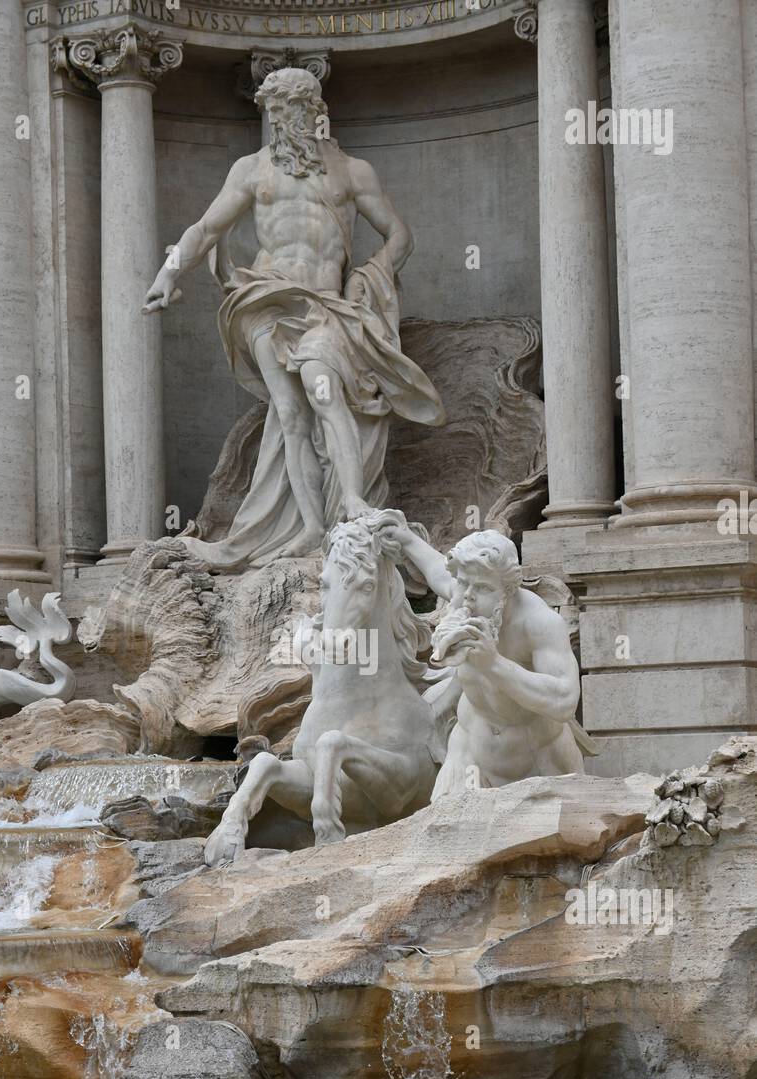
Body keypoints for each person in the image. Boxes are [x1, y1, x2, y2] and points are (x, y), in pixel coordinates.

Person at [143, 66, 444, 570]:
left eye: (295, 109)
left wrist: (367, 276)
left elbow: (400, 235)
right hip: (265, 299)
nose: (285, 120)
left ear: (316, 109)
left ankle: (352, 501)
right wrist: (167, 274)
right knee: (289, 414)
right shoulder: (251, 170)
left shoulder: (352, 172)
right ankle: (308, 527)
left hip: (325, 304)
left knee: (322, 388)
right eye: (277, 111)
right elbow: (204, 228)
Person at [378, 520, 587, 793]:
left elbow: (564, 701)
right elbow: (436, 569)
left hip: (540, 762)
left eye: (483, 588)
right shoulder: (466, 592)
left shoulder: (539, 622)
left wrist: (494, 664)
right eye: (463, 583)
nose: (467, 597)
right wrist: (404, 537)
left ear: (508, 590)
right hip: (468, 756)